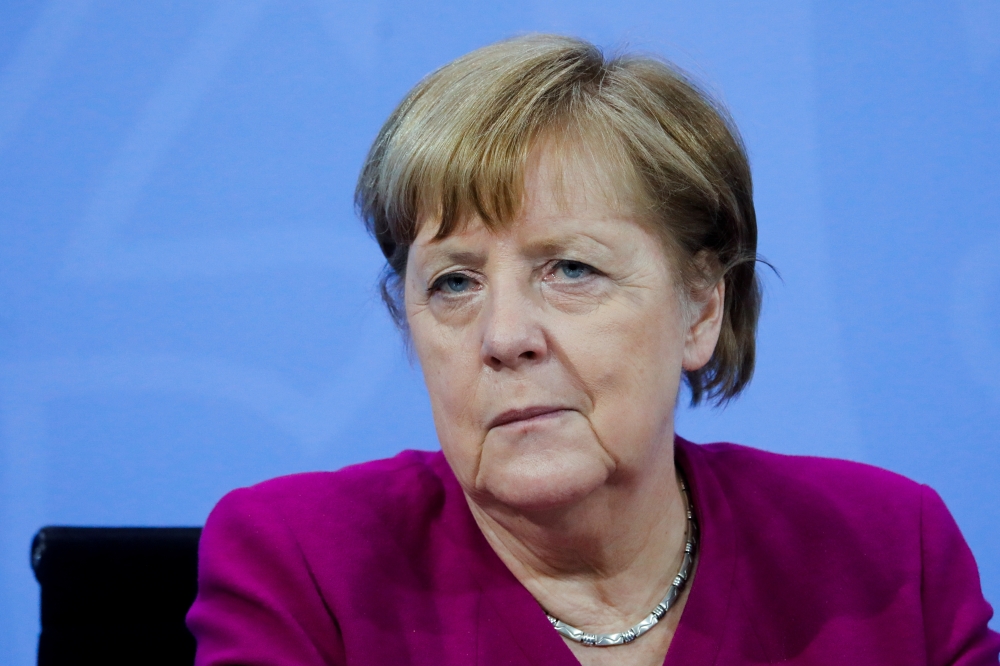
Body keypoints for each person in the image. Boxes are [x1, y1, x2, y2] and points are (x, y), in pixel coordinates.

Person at [186, 34, 1000, 665]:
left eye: (570, 269)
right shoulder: (302, 566)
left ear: (700, 309)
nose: (504, 337)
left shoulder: (890, 554)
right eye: (454, 284)